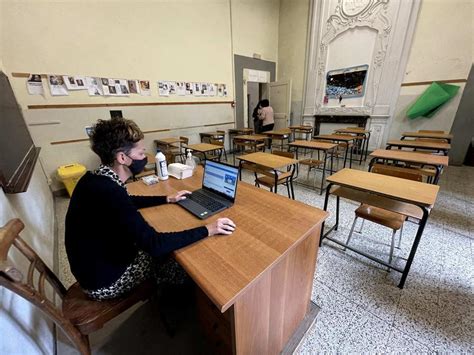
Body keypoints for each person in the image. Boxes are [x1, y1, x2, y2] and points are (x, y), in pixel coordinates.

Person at [65, 117, 236, 301]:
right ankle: (182, 300)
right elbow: (154, 244)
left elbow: (126, 200)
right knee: (180, 262)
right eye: (140, 153)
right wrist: (208, 229)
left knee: (171, 247)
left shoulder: (95, 179)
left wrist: (166, 198)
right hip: (106, 281)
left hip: (93, 267)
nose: (144, 158)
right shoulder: (111, 192)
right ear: (122, 158)